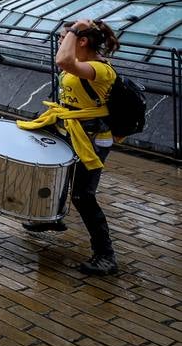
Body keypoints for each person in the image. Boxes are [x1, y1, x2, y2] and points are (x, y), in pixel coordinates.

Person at [18, 19, 122, 275]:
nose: (60, 43)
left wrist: (74, 30)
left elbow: (63, 62)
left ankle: (105, 255)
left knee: (83, 196)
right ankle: (51, 218)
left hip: (92, 138)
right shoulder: (81, 63)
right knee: (55, 173)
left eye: (63, 38)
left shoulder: (100, 70)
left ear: (82, 41)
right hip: (70, 128)